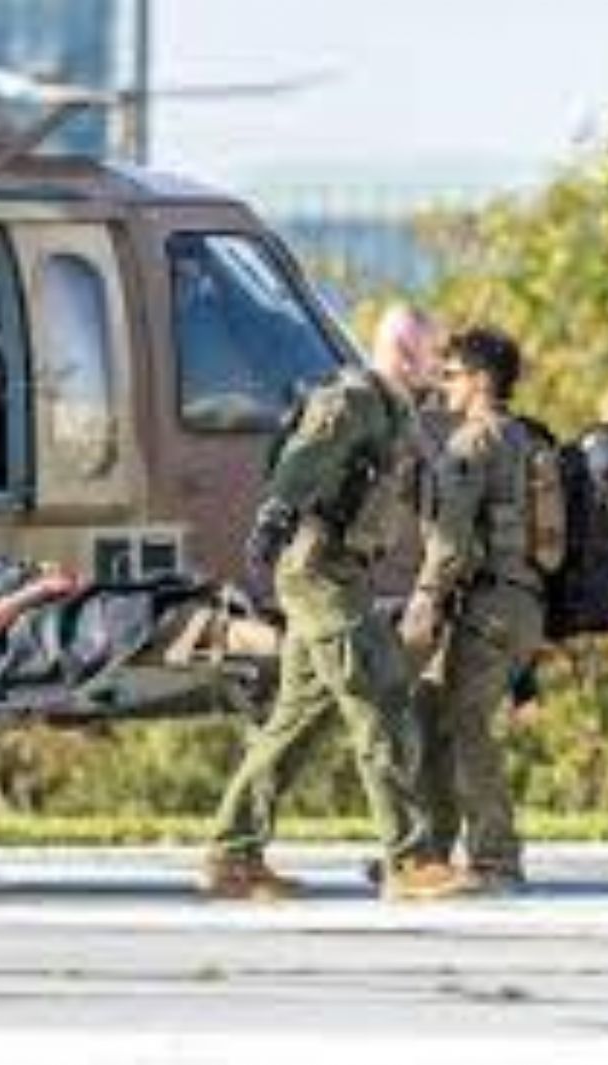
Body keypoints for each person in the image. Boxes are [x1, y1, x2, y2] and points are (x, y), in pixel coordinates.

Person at [204, 304, 470, 902]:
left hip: (341, 572)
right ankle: (409, 860)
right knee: (381, 699)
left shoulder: (395, 412)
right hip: (318, 572)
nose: (442, 366)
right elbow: (304, 458)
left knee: (297, 719)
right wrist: (275, 517)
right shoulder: (352, 400)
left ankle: (233, 855)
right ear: (406, 354)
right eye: (434, 354)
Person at [400, 327, 549, 895]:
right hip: (521, 605)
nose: (445, 386)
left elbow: (449, 539)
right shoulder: (528, 438)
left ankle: (495, 859)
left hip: (487, 606)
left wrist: (424, 599)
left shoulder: (471, 445)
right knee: (433, 712)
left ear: (481, 381)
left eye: (452, 375)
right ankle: (430, 854)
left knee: (465, 726)